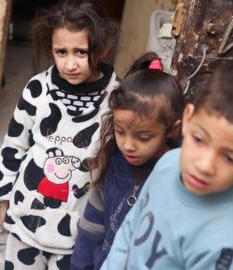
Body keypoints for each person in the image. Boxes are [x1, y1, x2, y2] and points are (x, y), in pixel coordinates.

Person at [101, 62, 233, 270]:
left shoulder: (228, 245)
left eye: (230, 158)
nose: (204, 165)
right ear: (188, 119)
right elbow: (131, 226)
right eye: (199, 140)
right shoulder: (169, 162)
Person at [0, 0, 119, 269]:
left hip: (76, 224)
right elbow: (15, 143)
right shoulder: (38, 88)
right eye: (61, 52)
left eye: (81, 52)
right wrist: (5, 197)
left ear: (102, 48)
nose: (70, 63)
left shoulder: (115, 97)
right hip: (28, 213)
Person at [69, 53, 184, 270]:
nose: (128, 145)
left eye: (144, 137)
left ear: (172, 130)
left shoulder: (180, 179)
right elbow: (91, 226)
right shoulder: (113, 163)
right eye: (120, 132)